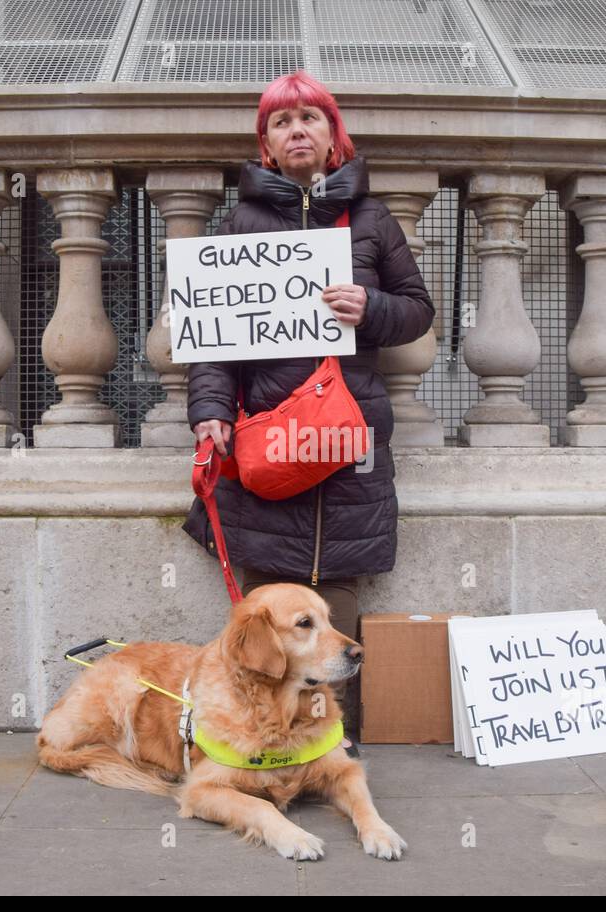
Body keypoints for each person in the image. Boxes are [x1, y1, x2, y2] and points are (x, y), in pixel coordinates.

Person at [182, 70, 436, 755]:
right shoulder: (238, 223)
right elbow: (212, 341)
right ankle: (259, 726)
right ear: (266, 145)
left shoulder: (374, 220)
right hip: (270, 432)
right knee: (269, 577)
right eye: (281, 122)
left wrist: (371, 308)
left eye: (310, 119)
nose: (297, 130)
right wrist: (208, 410)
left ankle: (329, 734)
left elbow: (417, 310)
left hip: (347, 429)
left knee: (340, 575)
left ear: (333, 136)